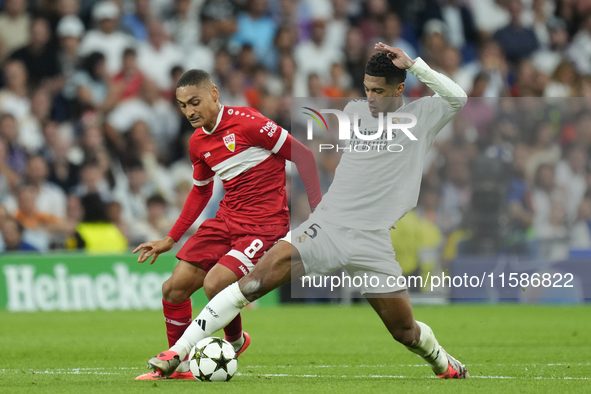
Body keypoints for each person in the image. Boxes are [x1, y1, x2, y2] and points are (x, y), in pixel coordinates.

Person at [144, 44, 470, 380]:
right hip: (327, 226)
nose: (371, 98)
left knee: (405, 333)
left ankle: (443, 363)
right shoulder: (356, 112)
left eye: (379, 92)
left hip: (372, 241)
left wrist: (415, 66)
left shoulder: (422, 117)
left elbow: (458, 97)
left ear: (399, 89)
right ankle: (176, 353)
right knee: (251, 283)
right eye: (367, 89)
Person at [133, 69, 321, 380]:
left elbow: (303, 156)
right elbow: (201, 190)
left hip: (263, 225)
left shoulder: (249, 122)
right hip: (225, 220)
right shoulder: (197, 143)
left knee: (215, 283)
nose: (190, 111)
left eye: (195, 102)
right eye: (182, 106)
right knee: (173, 289)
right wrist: (171, 238)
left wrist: (320, 213)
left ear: (214, 94)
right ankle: (180, 369)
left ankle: (232, 341)